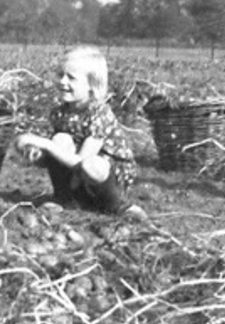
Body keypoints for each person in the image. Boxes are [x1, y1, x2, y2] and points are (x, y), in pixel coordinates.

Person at [13, 47, 136, 214]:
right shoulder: (60, 113)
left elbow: (80, 162)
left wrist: (45, 144)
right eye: (61, 75)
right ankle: (65, 199)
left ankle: (118, 205)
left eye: (71, 78)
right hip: (79, 179)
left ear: (92, 86)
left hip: (107, 176)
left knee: (91, 164)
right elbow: (59, 155)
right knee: (61, 138)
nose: (63, 81)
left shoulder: (99, 113)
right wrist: (36, 154)